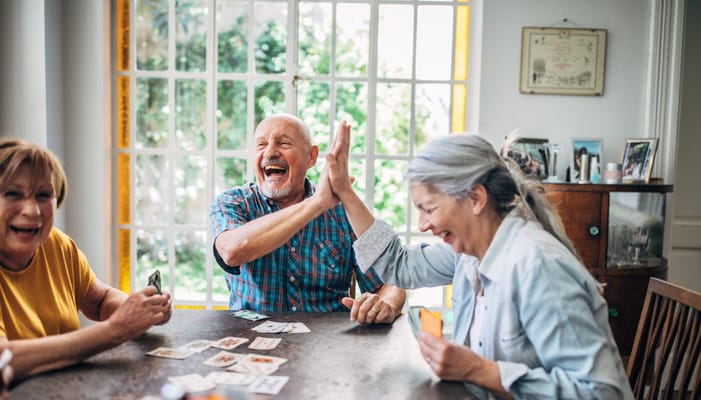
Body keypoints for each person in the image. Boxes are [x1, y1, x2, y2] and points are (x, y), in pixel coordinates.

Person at [323, 129, 634, 398]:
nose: (422, 224)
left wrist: (479, 370)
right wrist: (345, 193)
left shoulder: (539, 267)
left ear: (475, 199)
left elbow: (601, 393)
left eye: (429, 209)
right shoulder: (470, 252)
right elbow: (399, 264)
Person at [0, 139, 172, 382]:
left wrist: (138, 311)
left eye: (43, 195)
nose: (33, 210)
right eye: (13, 194)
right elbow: (5, 360)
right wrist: (115, 330)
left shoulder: (57, 245)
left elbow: (100, 301)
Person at [209, 114, 405, 324]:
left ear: (311, 157)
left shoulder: (345, 212)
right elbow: (231, 251)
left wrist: (386, 305)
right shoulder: (233, 203)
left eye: (283, 143)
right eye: (261, 144)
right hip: (251, 342)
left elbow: (391, 281)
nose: (270, 152)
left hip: (328, 345)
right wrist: (316, 204)